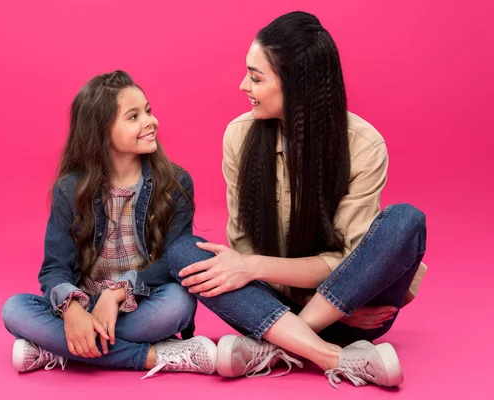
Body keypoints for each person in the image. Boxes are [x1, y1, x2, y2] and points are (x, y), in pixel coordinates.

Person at [166, 11, 427, 388]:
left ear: (297, 85)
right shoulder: (239, 138)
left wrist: (331, 299)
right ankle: (330, 356)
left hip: (353, 311)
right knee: (183, 251)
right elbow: (240, 253)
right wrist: (251, 269)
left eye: (256, 77)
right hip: (270, 306)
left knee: (406, 220)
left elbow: (348, 261)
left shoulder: (364, 145)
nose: (243, 85)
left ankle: (273, 348)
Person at [1, 70, 217, 378]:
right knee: (14, 309)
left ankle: (57, 348)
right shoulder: (70, 189)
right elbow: (54, 269)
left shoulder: (175, 183)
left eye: (148, 111)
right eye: (133, 117)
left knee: (179, 303)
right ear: (101, 133)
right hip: (86, 307)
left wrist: (117, 294)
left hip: (140, 305)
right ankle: (159, 355)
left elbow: (173, 261)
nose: (149, 121)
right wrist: (73, 311)